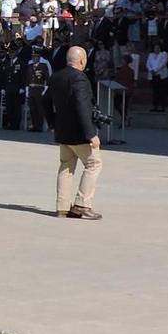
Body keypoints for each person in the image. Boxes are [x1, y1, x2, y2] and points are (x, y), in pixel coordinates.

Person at [48, 47, 102, 220]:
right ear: (82, 61)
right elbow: (82, 106)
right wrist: (91, 134)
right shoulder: (79, 78)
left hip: (63, 130)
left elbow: (44, 99)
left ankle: (62, 207)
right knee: (94, 164)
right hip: (79, 132)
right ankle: (82, 204)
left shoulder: (56, 76)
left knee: (66, 166)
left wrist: (52, 123)